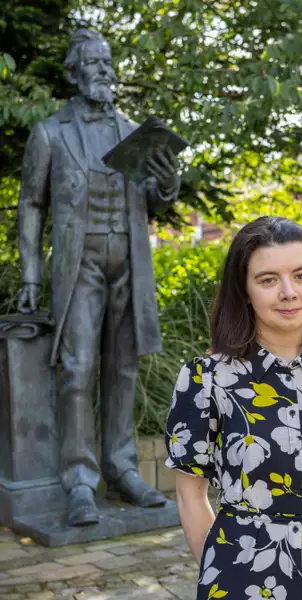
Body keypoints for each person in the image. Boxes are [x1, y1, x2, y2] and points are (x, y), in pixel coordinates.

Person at [164, 217, 302, 600]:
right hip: (239, 578)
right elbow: (190, 495)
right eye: (267, 280)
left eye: (301, 275)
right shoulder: (208, 377)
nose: (288, 292)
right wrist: (220, 572)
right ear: (244, 290)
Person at [17, 29, 180, 526]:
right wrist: (30, 277)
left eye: (108, 62)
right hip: (79, 262)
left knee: (124, 367)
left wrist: (169, 183)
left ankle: (123, 469)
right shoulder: (50, 132)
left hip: (128, 260)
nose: (104, 70)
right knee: (78, 368)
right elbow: (31, 204)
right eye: (93, 63)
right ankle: (80, 481)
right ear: (73, 72)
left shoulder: (134, 131)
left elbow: (153, 197)